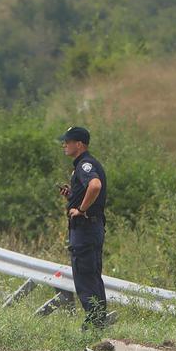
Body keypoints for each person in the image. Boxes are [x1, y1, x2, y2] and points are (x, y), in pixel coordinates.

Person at [59, 125, 108, 329]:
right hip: (91, 229)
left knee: (85, 275)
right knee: (92, 275)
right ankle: (98, 320)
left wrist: (80, 208)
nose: (64, 145)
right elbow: (90, 189)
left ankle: (94, 323)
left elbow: (95, 186)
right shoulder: (85, 164)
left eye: (67, 141)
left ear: (79, 144)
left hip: (85, 230)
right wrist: (73, 196)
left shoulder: (84, 165)